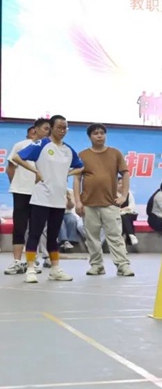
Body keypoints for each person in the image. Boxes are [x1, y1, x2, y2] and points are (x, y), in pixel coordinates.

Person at [12, 115, 83, 283]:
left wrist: (67, 173)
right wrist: (36, 171)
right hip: (41, 197)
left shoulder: (67, 149)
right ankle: (30, 269)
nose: (62, 131)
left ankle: (55, 269)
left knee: (53, 236)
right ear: (51, 128)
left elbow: (80, 166)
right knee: (35, 233)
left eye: (65, 128)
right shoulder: (42, 144)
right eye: (59, 127)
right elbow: (17, 157)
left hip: (59, 199)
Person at [73, 123, 135, 277]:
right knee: (92, 237)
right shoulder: (82, 155)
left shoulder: (115, 153)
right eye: (95, 133)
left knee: (115, 236)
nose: (99, 136)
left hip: (110, 203)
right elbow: (77, 179)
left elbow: (125, 174)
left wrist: (124, 196)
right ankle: (97, 265)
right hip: (89, 203)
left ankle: (123, 265)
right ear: (90, 137)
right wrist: (78, 201)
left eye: (102, 133)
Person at [4, 119, 50, 275]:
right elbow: (10, 167)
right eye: (45, 128)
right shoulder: (21, 145)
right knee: (19, 226)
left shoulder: (49, 148)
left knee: (35, 228)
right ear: (36, 130)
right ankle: (17, 261)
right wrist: (16, 184)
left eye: (49, 129)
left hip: (40, 192)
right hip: (21, 191)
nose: (48, 132)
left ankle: (32, 260)